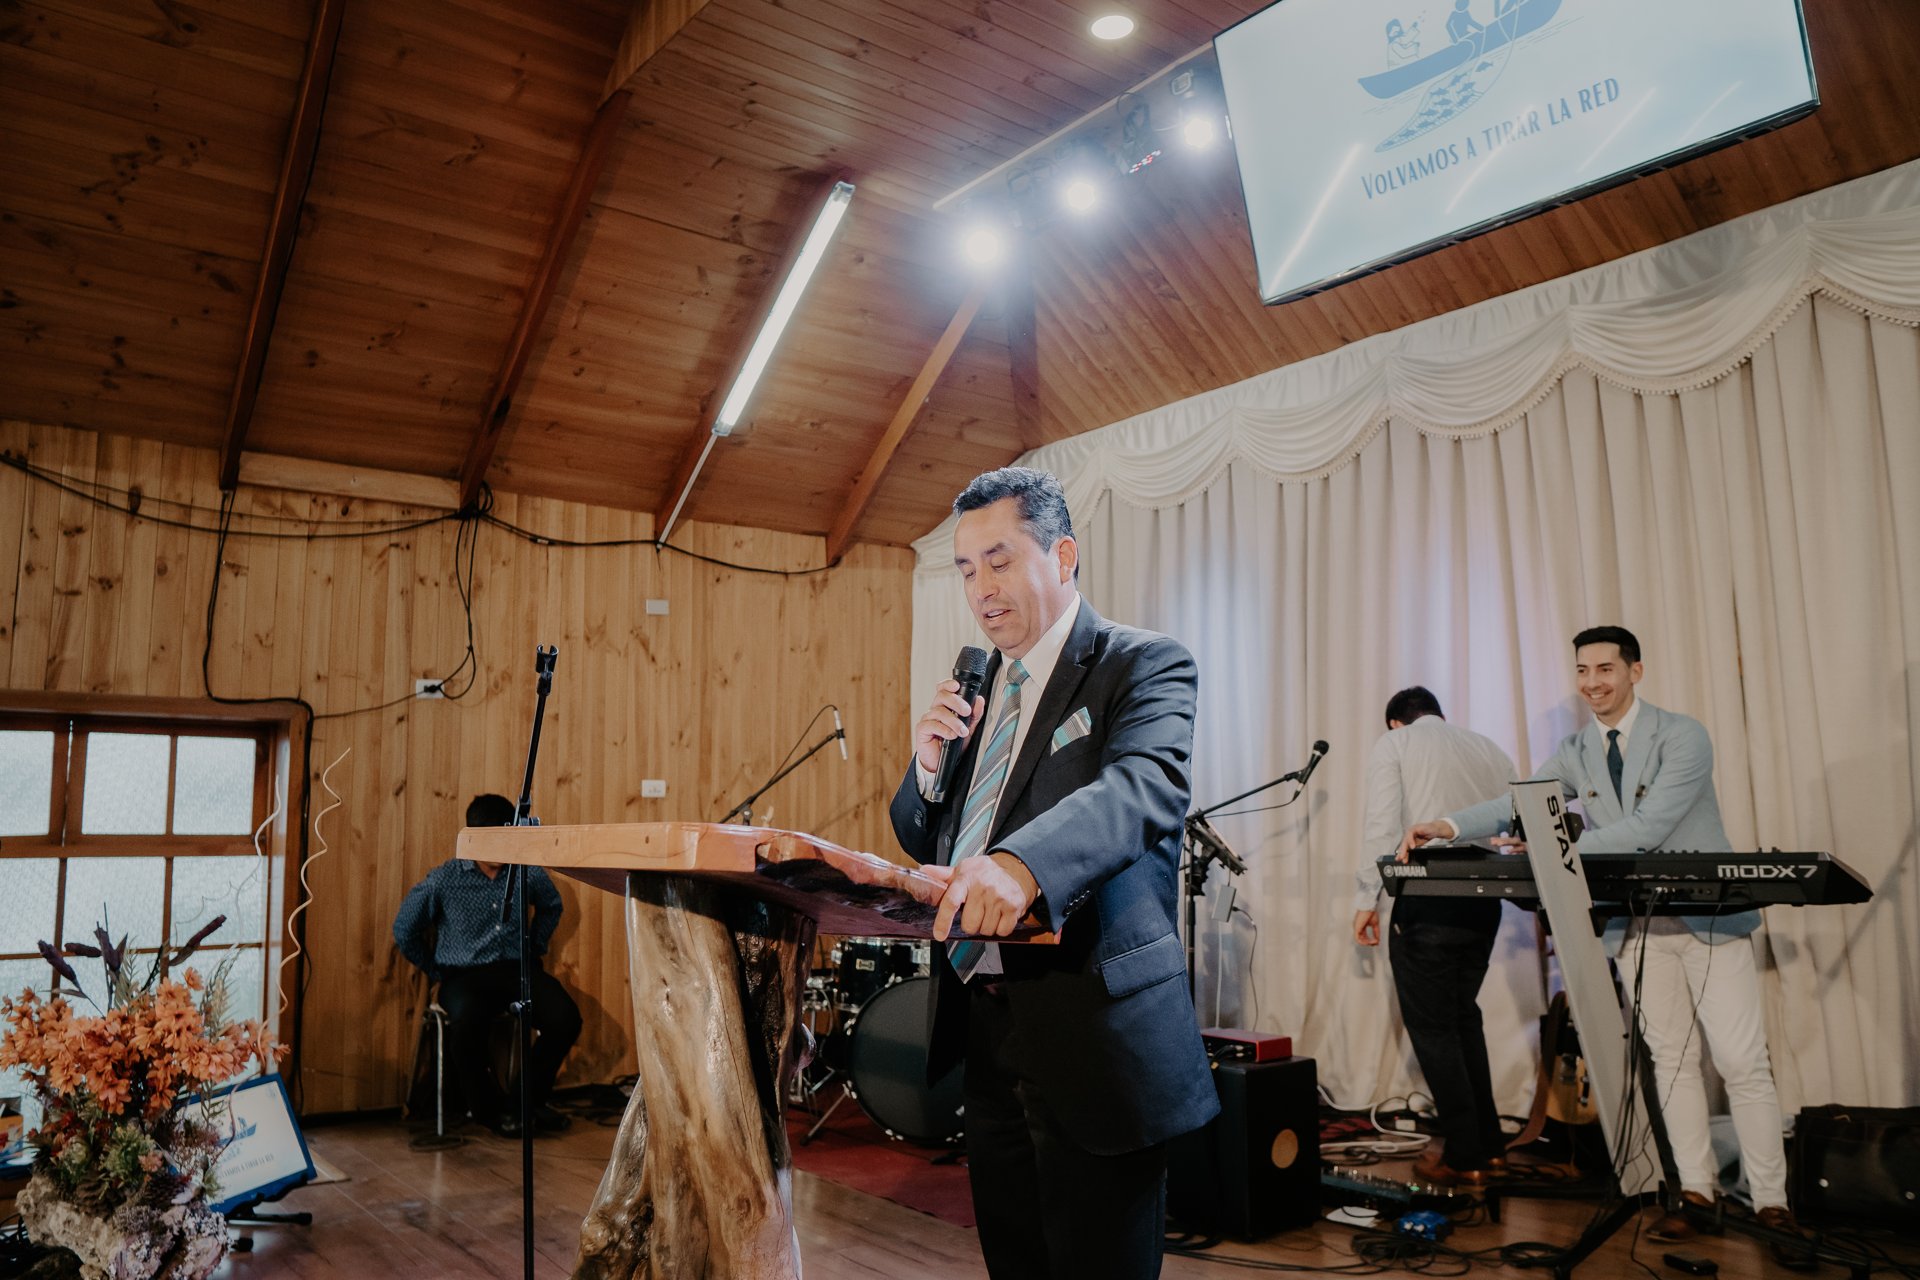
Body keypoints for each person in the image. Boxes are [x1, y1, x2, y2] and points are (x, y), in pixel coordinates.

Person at [891, 467, 1217, 1280]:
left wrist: (1022, 863)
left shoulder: (1142, 663)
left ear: (1063, 555)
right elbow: (930, 837)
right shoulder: (979, 694)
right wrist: (928, 770)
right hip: (989, 1029)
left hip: (1095, 1032)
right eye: (966, 569)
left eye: (999, 561)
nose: (981, 589)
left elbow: (1143, 788)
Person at [1400, 627, 1806, 1252]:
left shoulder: (1683, 735)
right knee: (1670, 1064)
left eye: (1606, 669)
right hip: (1637, 926)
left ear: (1634, 671)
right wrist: (1447, 825)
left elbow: (1648, 828)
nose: (1593, 682)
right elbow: (1519, 803)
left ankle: (1773, 1203)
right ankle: (1697, 1193)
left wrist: (1552, 850)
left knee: (1741, 1063)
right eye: (1583, 671)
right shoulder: (1576, 750)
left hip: (1709, 921)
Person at [1354, 686, 1518, 1186]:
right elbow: (1514, 819)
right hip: (1485, 898)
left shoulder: (1396, 744)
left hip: (1428, 893)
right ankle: (1489, 1147)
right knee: (1463, 1019)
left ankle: (1465, 1156)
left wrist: (1366, 899)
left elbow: (1383, 825)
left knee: (1434, 1029)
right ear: (1437, 714)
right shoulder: (1491, 749)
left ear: (1395, 723)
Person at [393, 793, 582, 1138]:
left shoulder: (526, 872)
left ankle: (525, 1103)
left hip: (516, 969)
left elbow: (552, 906)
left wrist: (535, 947)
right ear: (474, 836)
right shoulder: (445, 878)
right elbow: (405, 929)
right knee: (467, 1026)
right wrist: (434, 970)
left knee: (565, 1018)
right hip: (463, 976)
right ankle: (490, 1113)